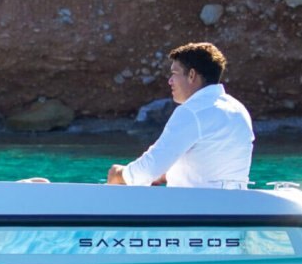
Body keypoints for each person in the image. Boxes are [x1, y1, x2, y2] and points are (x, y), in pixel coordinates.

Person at [107, 41, 254, 189]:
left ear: (191, 75)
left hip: (195, 203)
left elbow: (149, 169)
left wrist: (119, 174)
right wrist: (170, 174)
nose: (170, 81)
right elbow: (213, 165)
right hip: (235, 200)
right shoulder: (238, 110)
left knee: (117, 176)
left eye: (174, 73)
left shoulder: (191, 111)